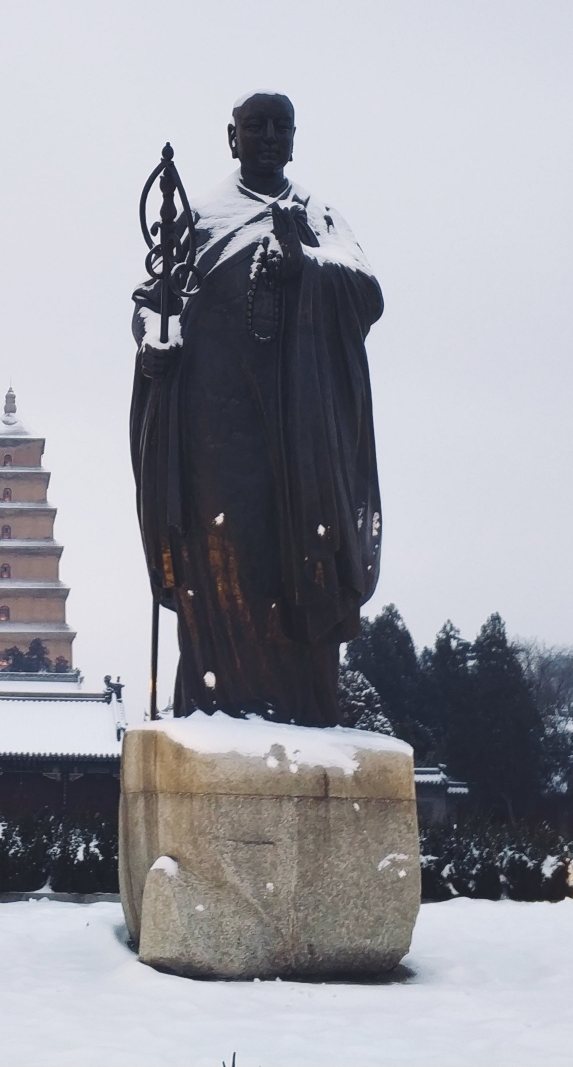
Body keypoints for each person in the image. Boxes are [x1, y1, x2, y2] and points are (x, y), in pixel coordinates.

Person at [129, 91, 384, 725]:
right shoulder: (204, 220)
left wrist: (304, 268)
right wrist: (153, 343)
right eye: (255, 127)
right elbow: (153, 302)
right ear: (232, 137)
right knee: (220, 556)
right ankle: (220, 699)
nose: (268, 136)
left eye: (280, 127)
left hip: (302, 431)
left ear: (294, 137)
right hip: (216, 430)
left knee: (298, 552)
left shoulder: (318, 218)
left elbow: (368, 294)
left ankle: (306, 702)